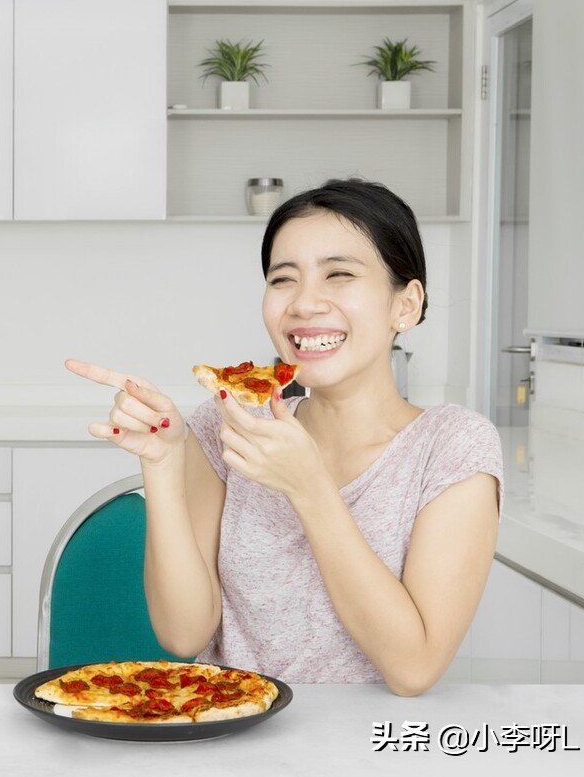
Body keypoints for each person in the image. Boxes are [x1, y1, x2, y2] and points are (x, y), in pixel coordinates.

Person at [67, 179, 501, 696]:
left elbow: (413, 671)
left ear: (404, 305)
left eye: (339, 274)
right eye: (283, 279)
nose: (304, 303)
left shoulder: (453, 447)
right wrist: (164, 463)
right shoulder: (230, 422)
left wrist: (310, 488)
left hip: (375, 748)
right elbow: (184, 635)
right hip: (231, 726)